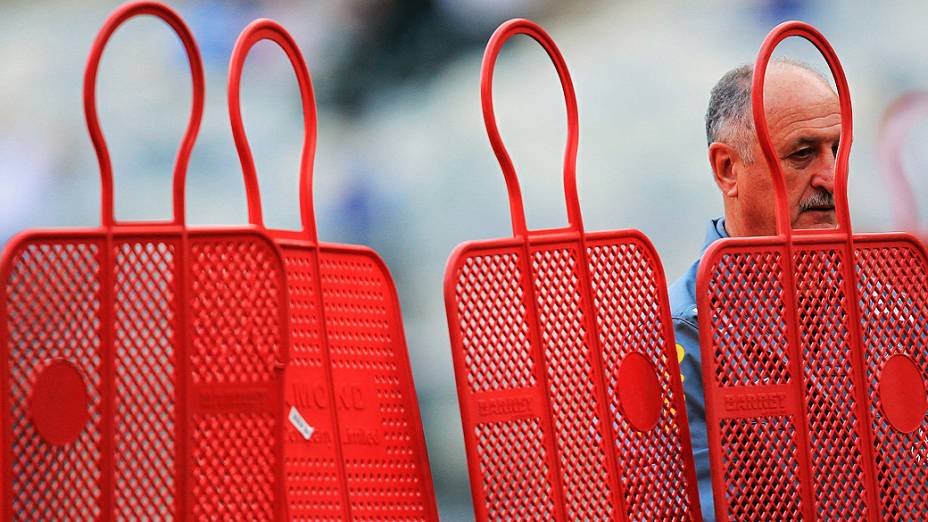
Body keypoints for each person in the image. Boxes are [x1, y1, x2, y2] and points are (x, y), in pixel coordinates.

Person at [668, 58, 840, 519]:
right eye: (802, 154)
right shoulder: (678, 336)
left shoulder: (886, 309)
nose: (830, 178)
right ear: (728, 170)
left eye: (836, 151)